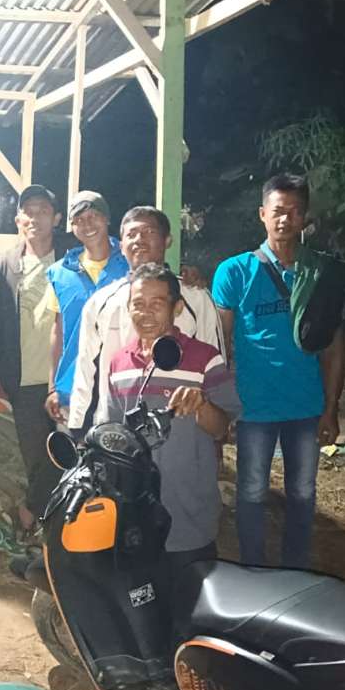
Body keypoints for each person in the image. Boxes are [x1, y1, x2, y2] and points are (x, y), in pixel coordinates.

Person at [212, 173, 345, 568]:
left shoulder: (322, 273)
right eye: (277, 211)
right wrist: (224, 408)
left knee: (303, 493)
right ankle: (254, 569)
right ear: (262, 214)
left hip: (306, 406)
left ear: (305, 216)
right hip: (253, 407)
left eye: (294, 211)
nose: (285, 219)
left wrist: (331, 408)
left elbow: (336, 347)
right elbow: (220, 345)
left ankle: (295, 569)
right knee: (251, 491)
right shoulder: (234, 272)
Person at [104, 263, 239, 626]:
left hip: (189, 515)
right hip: (136, 519)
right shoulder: (118, 364)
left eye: (157, 303)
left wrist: (202, 406)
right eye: (138, 303)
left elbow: (222, 429)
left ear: (177, 307)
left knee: (192, 616)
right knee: (146, 615)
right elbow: (110, 432)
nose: (146, 313)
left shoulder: (204, 358)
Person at [67, 206, 224, 432]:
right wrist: (78, 426)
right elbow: (85, 369)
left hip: (183, 427)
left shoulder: (195, 297)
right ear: (121, 246)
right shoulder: (100, 302)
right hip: (118, 429)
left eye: (149, 232)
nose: (139, 240)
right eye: (131, 234)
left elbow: (215, 362)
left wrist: (215, 422)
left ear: (167, 240)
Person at [0, 184, 62, 541]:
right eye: (28, 211)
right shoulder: (6, 264)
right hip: (24, 378)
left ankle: (37, 515)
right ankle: (41, 524)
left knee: (68, 451)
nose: (35, 218)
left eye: (43, 210)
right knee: (36, 457)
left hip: (66, 377)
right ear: (17, 220)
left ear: (56, 219)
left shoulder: (72, 259)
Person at [44, 191, 129, 425]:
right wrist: (53, 387)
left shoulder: (132, 262)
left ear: (107, 218)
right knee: (77, 447)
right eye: (79, 220)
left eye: (93, 216)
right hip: (74, 388)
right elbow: (58, 331)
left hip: (125, 384)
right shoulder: (60, 273)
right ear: (72, 227)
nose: (87, 224)